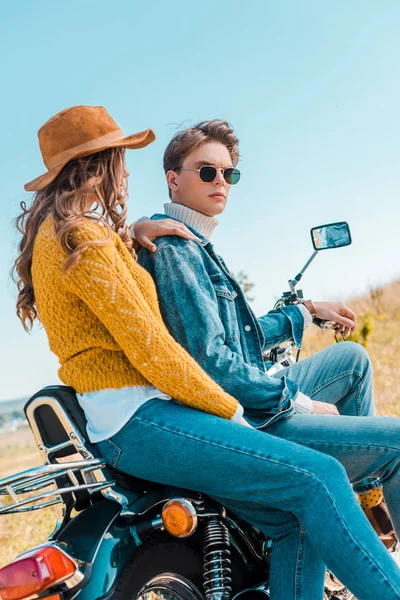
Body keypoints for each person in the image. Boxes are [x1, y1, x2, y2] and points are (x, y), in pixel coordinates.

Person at [16, 107, 400, 600]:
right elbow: (155, 350)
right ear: (100, 163)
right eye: (121, 158)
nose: (128, 171)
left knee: (293, 518)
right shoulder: (81, 239)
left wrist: (134, 233)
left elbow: (113, 291)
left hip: (139, 412)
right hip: (139, 417)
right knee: (319, 476)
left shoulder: (67, 235)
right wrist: (234, 412)